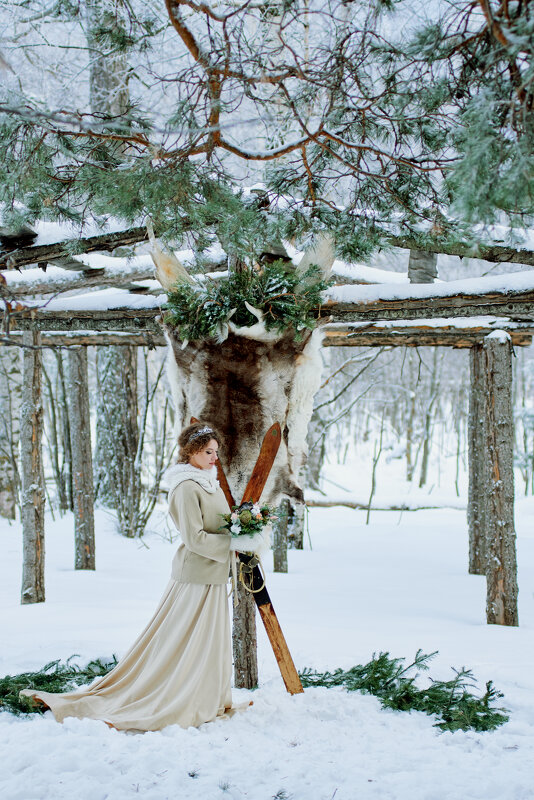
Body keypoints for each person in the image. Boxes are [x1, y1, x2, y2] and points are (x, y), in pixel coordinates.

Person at [20, 422, 265, 732]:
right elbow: (195, 538)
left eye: (216, 452)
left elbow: (216, 524)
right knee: (185, 642)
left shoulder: (207, 482)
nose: (214, 457)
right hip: (196, 577)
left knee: (208, 643)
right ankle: (179, 697)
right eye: (207, 452)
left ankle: (208, 698)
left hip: (213, 574)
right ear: (191, 452)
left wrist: (241, 525)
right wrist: (234, 542)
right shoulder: (186, 487)